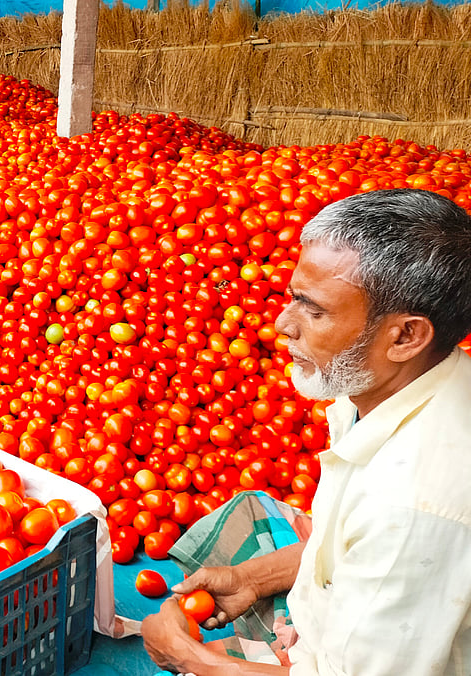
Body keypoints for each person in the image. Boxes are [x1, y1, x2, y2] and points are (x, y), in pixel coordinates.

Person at [142, 188, 471, 675]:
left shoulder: (414, 504)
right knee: (248, 512)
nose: (281, 323)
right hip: (338, 633)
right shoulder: (384, 389)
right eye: (293, 298)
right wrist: (250, 579)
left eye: (313, 310)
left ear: (405, 336)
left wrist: (189, 658)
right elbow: (340, 546)